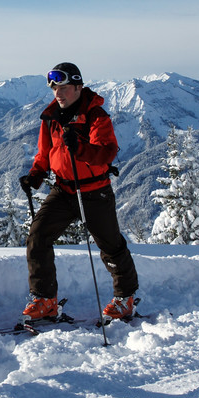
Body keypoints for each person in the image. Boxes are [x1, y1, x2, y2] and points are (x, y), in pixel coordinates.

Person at [18, 62, 140, 323]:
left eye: (62, 87)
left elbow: (106, 154)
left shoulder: (96, 116)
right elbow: (44, 154)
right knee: (37, 236)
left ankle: (125, 298)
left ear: (77, 87)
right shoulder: (51, 117)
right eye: (54, 88)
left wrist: (81, 148)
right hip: (62, 190)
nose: (57, 93)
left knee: (111, 246)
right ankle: (44, 299)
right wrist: (35, 177)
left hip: (95, 192)